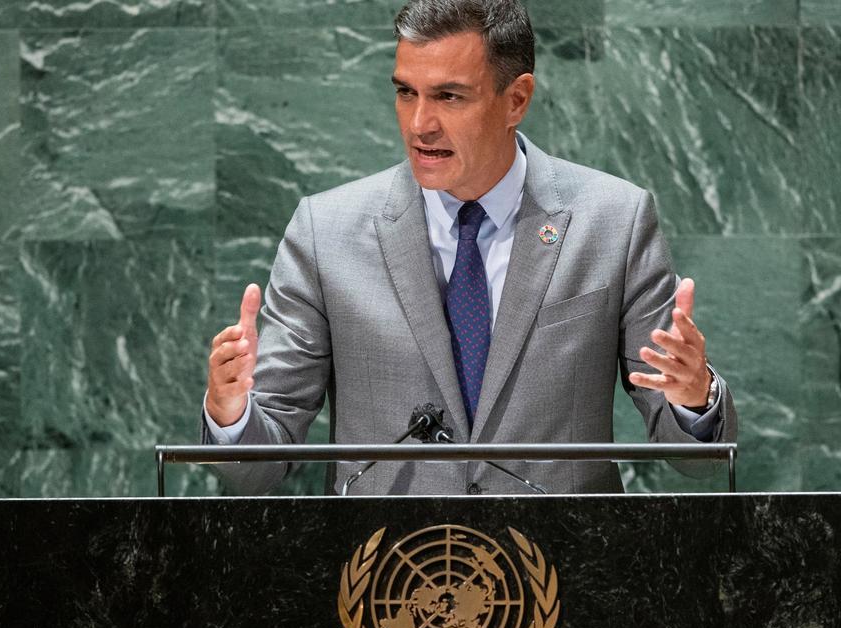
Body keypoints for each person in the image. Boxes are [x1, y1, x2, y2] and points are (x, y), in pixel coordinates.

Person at [202, 0, 737, 495]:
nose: (419, 124)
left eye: (448, 96)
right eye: (406, 91)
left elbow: (693, 457)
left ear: (517, 100)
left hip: (567, 573)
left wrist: (692, 398)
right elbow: (257, 464)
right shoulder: (326, 231)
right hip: (389, 580)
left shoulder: (613, 222)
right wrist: (230, 412)